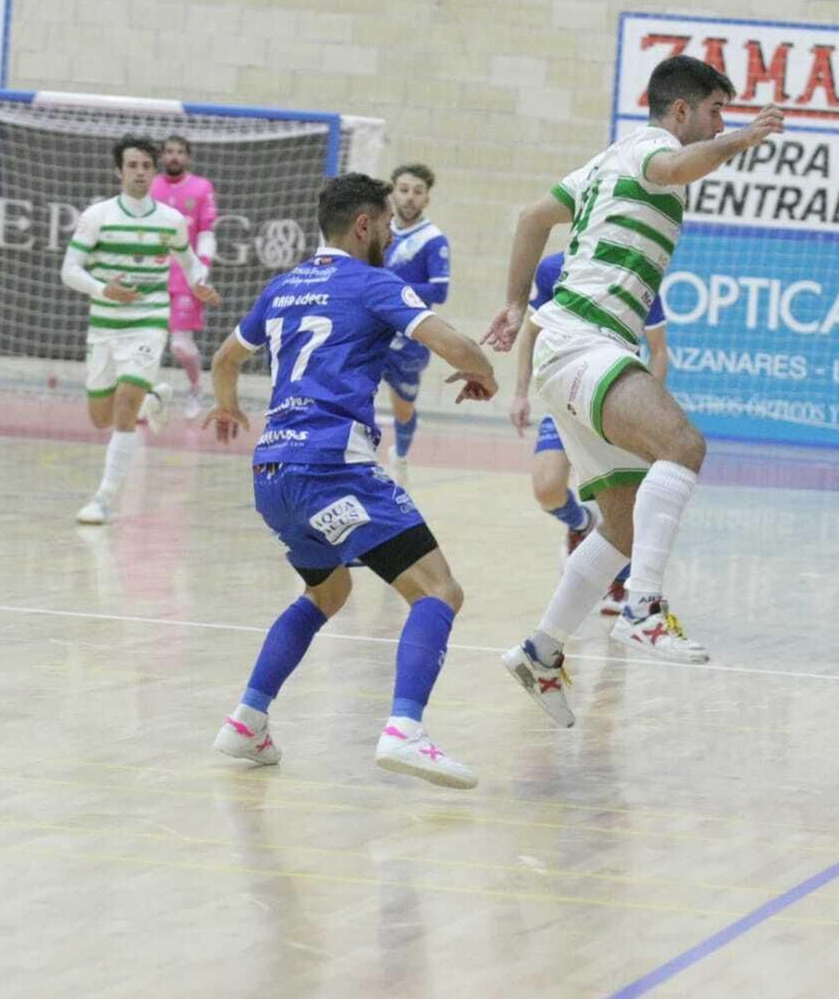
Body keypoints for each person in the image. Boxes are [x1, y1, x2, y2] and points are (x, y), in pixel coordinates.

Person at [483, 55, 785, 726]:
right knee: (682, 442)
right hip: (585, 340)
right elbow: (678, 167)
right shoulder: (653, 146)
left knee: (619, 524)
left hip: (575, 345)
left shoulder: (604, 161)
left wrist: (512, 302)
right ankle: (643, 605)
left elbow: (534, 216)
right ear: (680, 112)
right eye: (713, 114)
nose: (719, 126)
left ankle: (541, 650)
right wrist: (744, 139)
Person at [204, 172, 497, 789]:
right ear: (364, 225)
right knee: (438, 591)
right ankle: (405, 731)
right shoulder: (372, 283)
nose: (392, 234)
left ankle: (246, 720)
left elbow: (225, 359)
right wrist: (485, 374)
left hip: (272, 473)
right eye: (388, 224)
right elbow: (455, 345)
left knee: (328, 593)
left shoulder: (282, 288)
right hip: (334, 466)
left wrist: (229, 407)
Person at [61, 134, 217, 527]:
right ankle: (153, 400)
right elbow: (70, 271)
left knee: (125, 408)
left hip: (148, 320)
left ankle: (104, 498)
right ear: (119, 170)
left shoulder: (171, 220)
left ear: (154, 171)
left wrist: (200, 279)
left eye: (146, 165)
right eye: (132, 165)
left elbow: (189, 262)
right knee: (101, 418)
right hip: (104, 325)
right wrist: (103, 289)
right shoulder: (97, 216)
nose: (140, 172)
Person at [507, 252, 668, 618]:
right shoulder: (553, 268)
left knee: (623, 503)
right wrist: (519, 392)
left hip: (616, 396)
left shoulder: (641, 272)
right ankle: (581, 524)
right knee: (546, 489)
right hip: (565, 391)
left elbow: (658, 350)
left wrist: (649, 405)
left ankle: (621, 584)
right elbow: (531, 333)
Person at [377, 163, 450, 485]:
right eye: (404, 190)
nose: (409, 197)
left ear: (427, 200)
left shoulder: (433, 240)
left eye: (417, 192)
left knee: (403, 407)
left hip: (409, 335)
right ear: (393, 192)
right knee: (352, 391)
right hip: (371, 327)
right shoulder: (376, 230)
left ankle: (401, 456)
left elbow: (439, 290)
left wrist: (391, 288)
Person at [150, 134, 219, 419]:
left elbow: (206, 231)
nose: (174, 156)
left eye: (180, 152)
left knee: (180, 347)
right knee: (148, 342)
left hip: (185, 276)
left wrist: (201, 268)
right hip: (151, 275)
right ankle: (147, 398)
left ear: (188, 157)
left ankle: (195, 388)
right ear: (162, 156)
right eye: (169, 151)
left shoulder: (201, 188)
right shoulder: (151, 186)